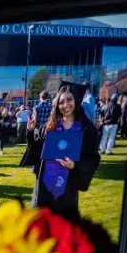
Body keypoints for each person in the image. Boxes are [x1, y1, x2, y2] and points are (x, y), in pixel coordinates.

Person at [29, 84, 100, 221]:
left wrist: (75, 166)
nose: (65, 105)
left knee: (64, 228)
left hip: (67, 187)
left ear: (77, 101)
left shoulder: (86, 130)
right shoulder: (51, 125)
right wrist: (31, 131)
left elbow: (92, 158)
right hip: (44, 186)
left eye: (69, 100)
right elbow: (36, 148)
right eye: (61, 101)